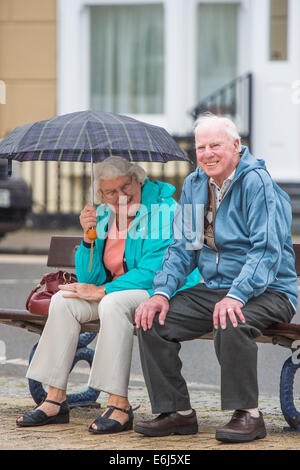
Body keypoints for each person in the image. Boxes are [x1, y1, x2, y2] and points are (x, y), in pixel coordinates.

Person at [134, 114, 298, 443]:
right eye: (201, 147)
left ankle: (248, 415)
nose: (207, 153)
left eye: (215, 145)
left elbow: (265, 251)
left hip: (270, 290)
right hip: (216, 288)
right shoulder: (195, 184)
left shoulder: (257, 183)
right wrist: (161, 293)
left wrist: (236, 295)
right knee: (152, 319)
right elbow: (182, 247)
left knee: (231, 318)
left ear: (236, 146)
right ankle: (176, 412)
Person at [16, 156, 199, 433]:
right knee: (63, 301)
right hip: (116, 291)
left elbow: (156, 268)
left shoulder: (164, 210)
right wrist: (89, 239)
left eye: (125, 186)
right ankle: (54, 400)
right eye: (110, 192)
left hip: (160, 291)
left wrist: (103, 290)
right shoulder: (103, 214)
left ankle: (119, 404)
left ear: (138, 180)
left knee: (113, 303)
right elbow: (91, 278)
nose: (120, 196)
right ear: (101, 193)